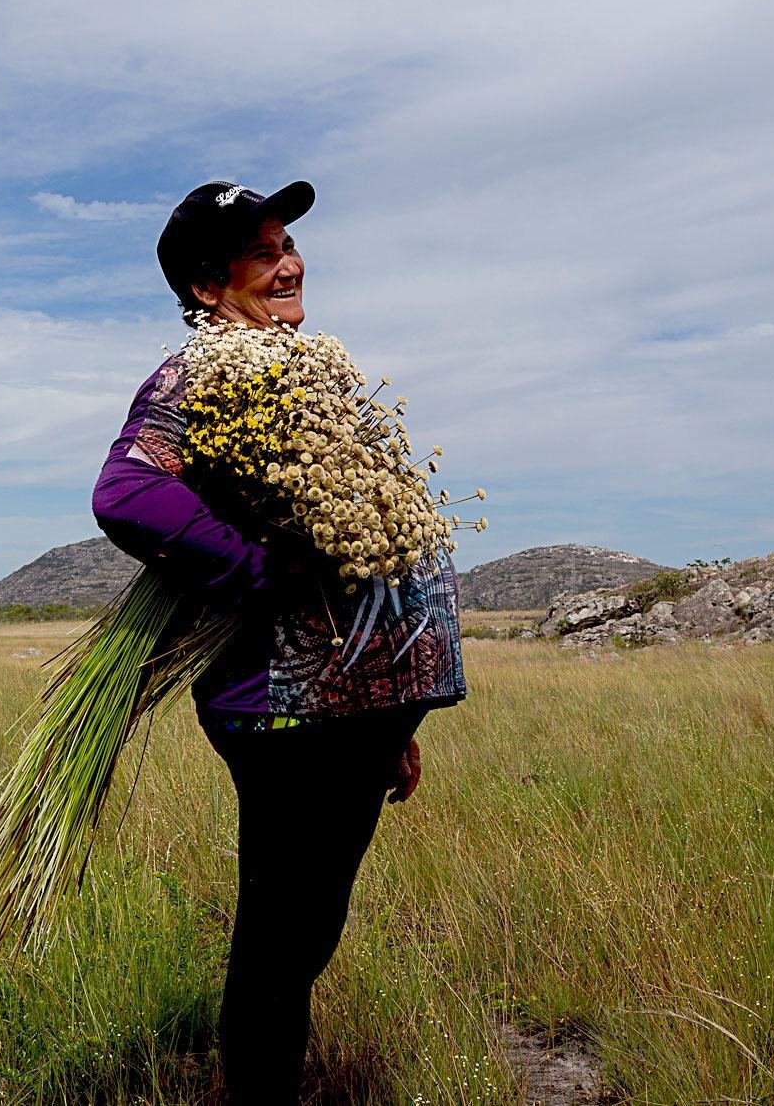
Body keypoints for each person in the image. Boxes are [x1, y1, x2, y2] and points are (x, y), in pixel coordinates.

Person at [91, 180, 467, 1104]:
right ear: (212, 286)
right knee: (281, 938)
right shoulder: (203, 376)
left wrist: (396, 722)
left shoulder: (299, 369)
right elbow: (127, 492)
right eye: (265, 252)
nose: (292, 261)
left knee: (306, 930)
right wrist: (258, 569)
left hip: (354, 713)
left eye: (289, 242)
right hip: (288, 709)